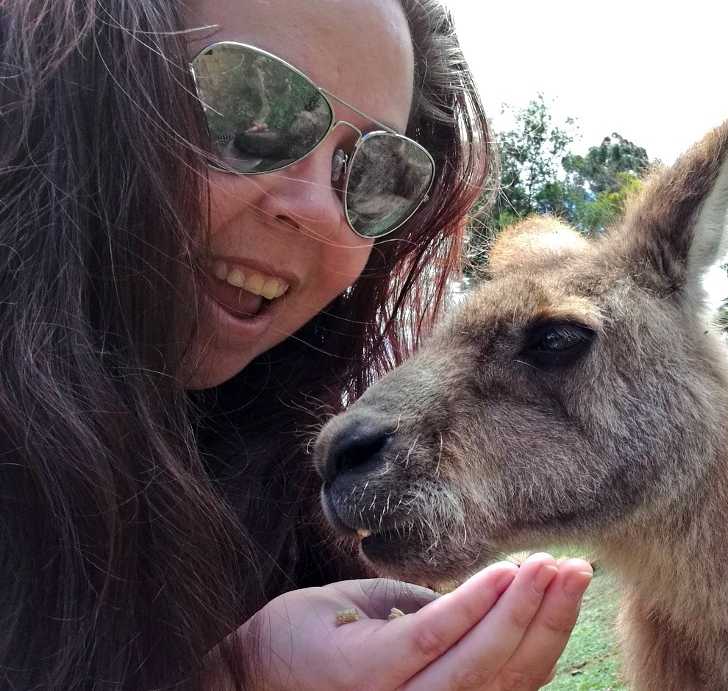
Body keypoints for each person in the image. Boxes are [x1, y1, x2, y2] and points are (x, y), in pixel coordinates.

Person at [0, 0, 592, 688]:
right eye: (254, 110)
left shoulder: (277, 480)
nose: (319, 211)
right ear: (68, 90)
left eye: (371, 172)